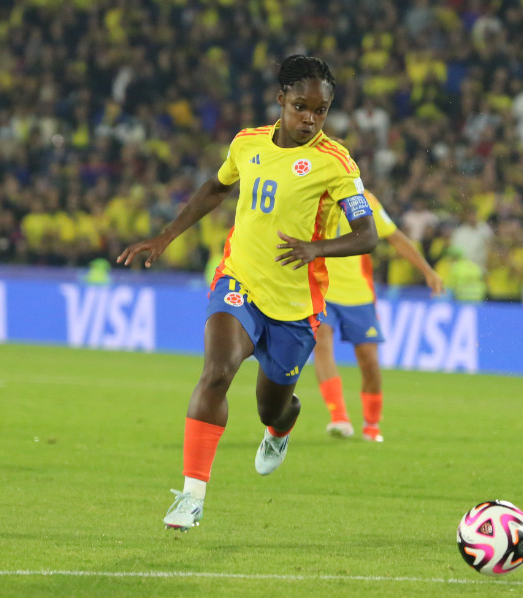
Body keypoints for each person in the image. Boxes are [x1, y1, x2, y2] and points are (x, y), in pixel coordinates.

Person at [116, 55, 378, 531]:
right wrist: (166, 236)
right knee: (217, 372)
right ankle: (191, 496)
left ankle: (280, 429)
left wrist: (316, 247)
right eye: (301, 107)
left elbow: (367, 235)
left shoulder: (336, 163)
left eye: (320, 112)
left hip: (296, 306)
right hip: (239, 282)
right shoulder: (246, 144)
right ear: (281, 99)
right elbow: (215, 189)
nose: (310, 119)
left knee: (271, 405)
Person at [314, 189, 443, 443]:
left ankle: (371, 425)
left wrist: (427, 271)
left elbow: (394, 237)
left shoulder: (364, 199)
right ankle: (339, 416)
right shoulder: (310, 191)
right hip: (320, 287)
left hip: (357, 293)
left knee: (369, 362)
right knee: (321, 343)